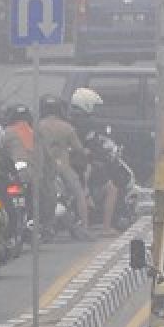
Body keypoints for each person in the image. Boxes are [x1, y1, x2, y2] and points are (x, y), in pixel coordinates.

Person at [68, 87, 121, 235]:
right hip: (83, 165)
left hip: (73, 164)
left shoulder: (72, 118)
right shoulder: (84, 122)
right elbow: (92, 145)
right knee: (111, 190)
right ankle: (105, 227)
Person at [38, 94, 91, 237]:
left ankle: (46, 226)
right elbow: (79, 149)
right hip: (64, 167)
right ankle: (85, 228)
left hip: (45, 169)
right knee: (80, 195)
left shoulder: (37, 127)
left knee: (43, 197)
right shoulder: (67, 128)